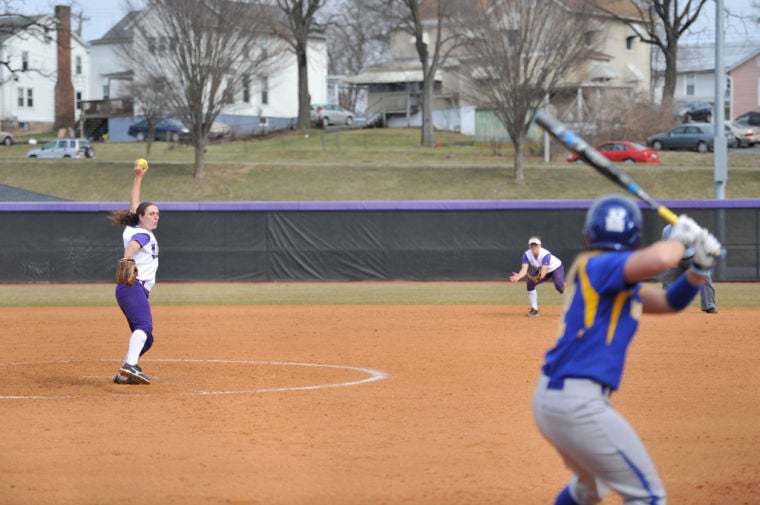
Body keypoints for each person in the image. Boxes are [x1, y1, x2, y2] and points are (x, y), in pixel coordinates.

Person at [531, 194, 722, 505]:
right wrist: (683, 238)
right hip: (577, 401)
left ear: (589, 234)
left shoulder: (607, 278)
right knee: (648, 496)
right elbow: (659, 260)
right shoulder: (599, 266)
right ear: (636, 237)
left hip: (556, 398)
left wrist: (700, 266)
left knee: (589, 489)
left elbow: (669, 302)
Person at [109, 160, 159, 385]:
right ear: (142, 217)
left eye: (157, 214)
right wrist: (128, 258)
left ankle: (123, 375)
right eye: (151, 213)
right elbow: (134, 246)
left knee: (146, 340)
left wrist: (138, 177)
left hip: (129, 290)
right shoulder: (143, 235)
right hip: (133, 286)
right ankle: (130, 365)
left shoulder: (132, 227)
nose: (156, 216)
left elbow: (133, 207)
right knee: (144, 327)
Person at [662, 223, 718, 313]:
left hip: (693, 257)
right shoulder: (666, 230)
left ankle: (709, 306)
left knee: (704, 277)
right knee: (667, 279)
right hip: (677, 260)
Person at [509, 236, 565, 316]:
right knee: (530, 284)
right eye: (532, 245)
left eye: (536, 245)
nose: (534, 247)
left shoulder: (546, 254)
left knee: (559, 287)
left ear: (540, 246)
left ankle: (575, 303)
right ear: (529, 246)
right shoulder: (526, 255)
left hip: (555, 268)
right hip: (541, 270)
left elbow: (544, 272)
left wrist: (536, 278)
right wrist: (518, 276)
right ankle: (535, 310)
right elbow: (524, 269)